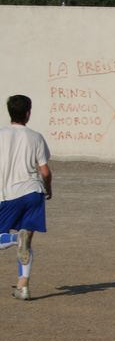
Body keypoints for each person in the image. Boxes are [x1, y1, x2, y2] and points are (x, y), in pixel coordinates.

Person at [0, 95, 53, 301]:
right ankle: (23, 287)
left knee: (13, 238)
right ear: (28, 113)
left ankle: (14, 239)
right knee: (27, 241)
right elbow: (45, 171)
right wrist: (48, 189)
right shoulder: (36, 137)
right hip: (33, 193)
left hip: (9, 195)